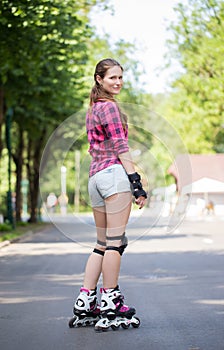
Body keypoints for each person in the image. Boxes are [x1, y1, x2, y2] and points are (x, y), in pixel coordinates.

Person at [69, 58, 147, 331]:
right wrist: (135, 181)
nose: (118, 82)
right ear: (99, 79)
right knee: (115, 243)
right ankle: (111, 301)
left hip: (95, 178)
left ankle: (85, 299)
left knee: (101, 243)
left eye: (120, 78)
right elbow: (120, 146)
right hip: (113, 176)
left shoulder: (92, 109)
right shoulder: (110, 108)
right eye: (112, 77)